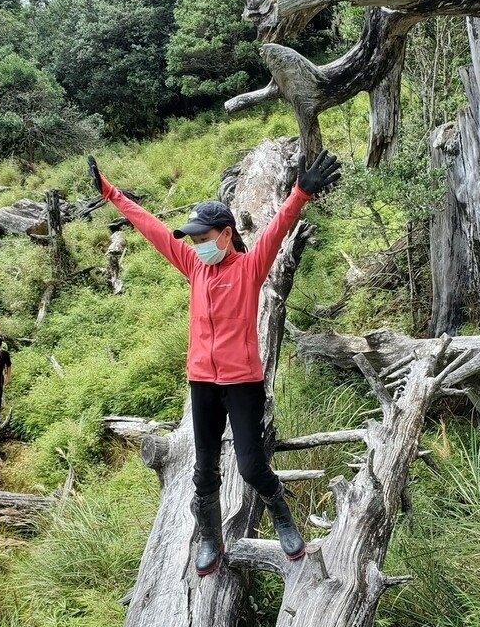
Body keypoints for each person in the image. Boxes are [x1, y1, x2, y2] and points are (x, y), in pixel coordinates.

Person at [88, 150, 341, 576]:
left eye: (203, 237)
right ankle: (211, 536)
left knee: (251, 464)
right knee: (203, 469)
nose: (196, 244)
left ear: (225, 235)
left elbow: (277, 230)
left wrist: (300, 193)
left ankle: (282, 517)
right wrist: (111, 193)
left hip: (242, 383)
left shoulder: (248, 269)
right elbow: (151, 228)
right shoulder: (193, 266)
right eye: (193, 238)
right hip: (202, 384)